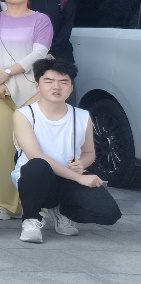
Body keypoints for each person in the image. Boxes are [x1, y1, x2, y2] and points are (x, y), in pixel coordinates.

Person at [12, 58, 121, 243]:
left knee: (109, 213)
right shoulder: (24, 114)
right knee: (36, 166)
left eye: (63, 82)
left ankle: (62, 211)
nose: (56, 87)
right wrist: (79, 178)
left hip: (68, 177)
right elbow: (35, 155)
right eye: (49, 81)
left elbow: (89, 153)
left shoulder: (82, 116)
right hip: (35, 178)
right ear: (38, 86)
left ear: (71, 87)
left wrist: (81, 164)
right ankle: (31, 218)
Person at [0, 0, 54, 221]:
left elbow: (39, 53)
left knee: (34, 145)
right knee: (0, 146)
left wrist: (7, 73)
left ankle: (36, 201)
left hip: (31, 88)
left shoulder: (41, 20)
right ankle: (4, 203)